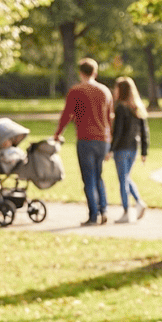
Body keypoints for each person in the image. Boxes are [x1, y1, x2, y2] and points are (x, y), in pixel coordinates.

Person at [53, 57, 113, 225]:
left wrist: (58, 133)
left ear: (81, 72)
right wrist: (111, 143)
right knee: (99, 176)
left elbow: (67, 115)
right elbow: (110, 118)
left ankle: (93, 215)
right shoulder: (105, 91)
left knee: (89, 178)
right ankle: (104, 209)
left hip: (86, 138)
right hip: (103, 139)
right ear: (95, 72)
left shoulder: (76, 91)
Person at [110, 76, 149, 223]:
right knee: (126, 177)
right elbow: (145, 131)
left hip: (121, 149)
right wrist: (144, 151)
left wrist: (111, 149)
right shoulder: (137, 108)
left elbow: (118, 132)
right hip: (133, 148)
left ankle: (127, 211)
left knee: (123, 180)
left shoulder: (121, 108)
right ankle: (139, 202)